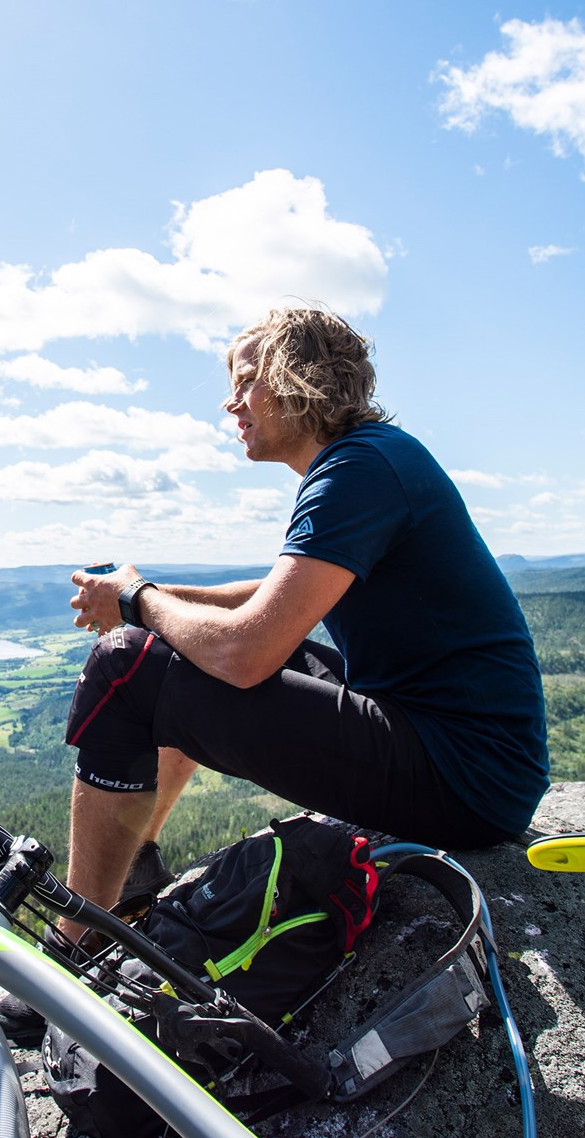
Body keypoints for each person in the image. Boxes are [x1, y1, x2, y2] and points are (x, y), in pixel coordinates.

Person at [57, 305, 549, 950]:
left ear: (298, 378)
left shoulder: (359, 469)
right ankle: (137, 866)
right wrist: (145, 595)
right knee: (173, 638)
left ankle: (76, 943)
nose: (232, 404)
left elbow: (245, 653)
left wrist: (138, 601)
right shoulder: (369, 459)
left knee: (127, 666)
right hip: (462, 752)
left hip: (463, 779)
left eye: (246, 381)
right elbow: (271, 595)